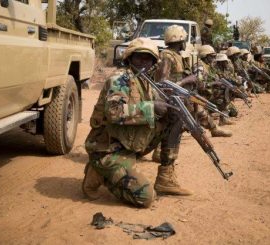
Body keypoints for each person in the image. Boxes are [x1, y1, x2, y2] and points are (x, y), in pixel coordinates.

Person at [82, 38, 191, 209]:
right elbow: (114, 112)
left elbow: (159, 107)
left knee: (174, 119)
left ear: (154, 61)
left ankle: (166, 177)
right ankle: (99, 173)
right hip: (107, 148)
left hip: (128, 141)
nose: (143, 62)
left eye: (148, 58)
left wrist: (171, 110)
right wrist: (152, 107)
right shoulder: (120, 78)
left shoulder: (145, 80)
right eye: (138, 57)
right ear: (129, 58)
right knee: (145, 197)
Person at [156, 25, 231, 138]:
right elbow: (162, 82)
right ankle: (214, 128)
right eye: (184, 40)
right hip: (173, 97)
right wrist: (187, 79)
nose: (185, 43)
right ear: (180, 40)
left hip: (182, 94)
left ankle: (214, 128)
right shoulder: (167, 56)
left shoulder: (177, 55)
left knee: (199, 109)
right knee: (173, 124)